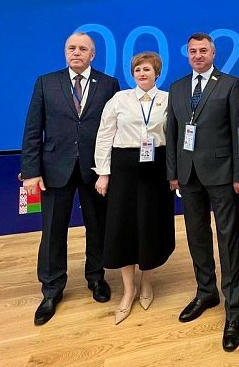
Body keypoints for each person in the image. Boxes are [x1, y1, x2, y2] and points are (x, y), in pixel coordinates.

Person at [21, 32, 120, 326]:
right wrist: (31, 171)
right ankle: (52, 289)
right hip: (54, 169)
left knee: (97, 226)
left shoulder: (109, 84)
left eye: (83, 49)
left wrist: (111, 169)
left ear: (93, 54)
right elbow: (33, 129)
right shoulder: (46, 82)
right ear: (65, 52)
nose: (76, 52)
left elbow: (114, 129)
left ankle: (96, 277)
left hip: (95, 169)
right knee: (53, 230)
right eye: (71, 48)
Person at [166, 32, 239, 352]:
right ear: (187, 54)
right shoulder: (176, 88)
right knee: (196, 236)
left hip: (223, 174)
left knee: (228, 240)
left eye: (203, 50)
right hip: (188, 176)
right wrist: (173, 173)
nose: (198, 55)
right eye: (193, 51)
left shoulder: (230, 84)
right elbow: (173, 134)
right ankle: (206, 292)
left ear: (213, 53)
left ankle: (234, 308)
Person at [93, 52, 174, 324]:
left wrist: (174, 173)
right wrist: (103, 173)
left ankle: (147, 282)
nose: (142, 74)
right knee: (124, 228)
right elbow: (104, 135)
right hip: (124, 170)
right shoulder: (119, 100)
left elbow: (173, 137)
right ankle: (128, 290)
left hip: (156, 170)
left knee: (150, 226)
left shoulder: (168, 100)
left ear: (157, 73)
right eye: (137, 69)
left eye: (147, 69)